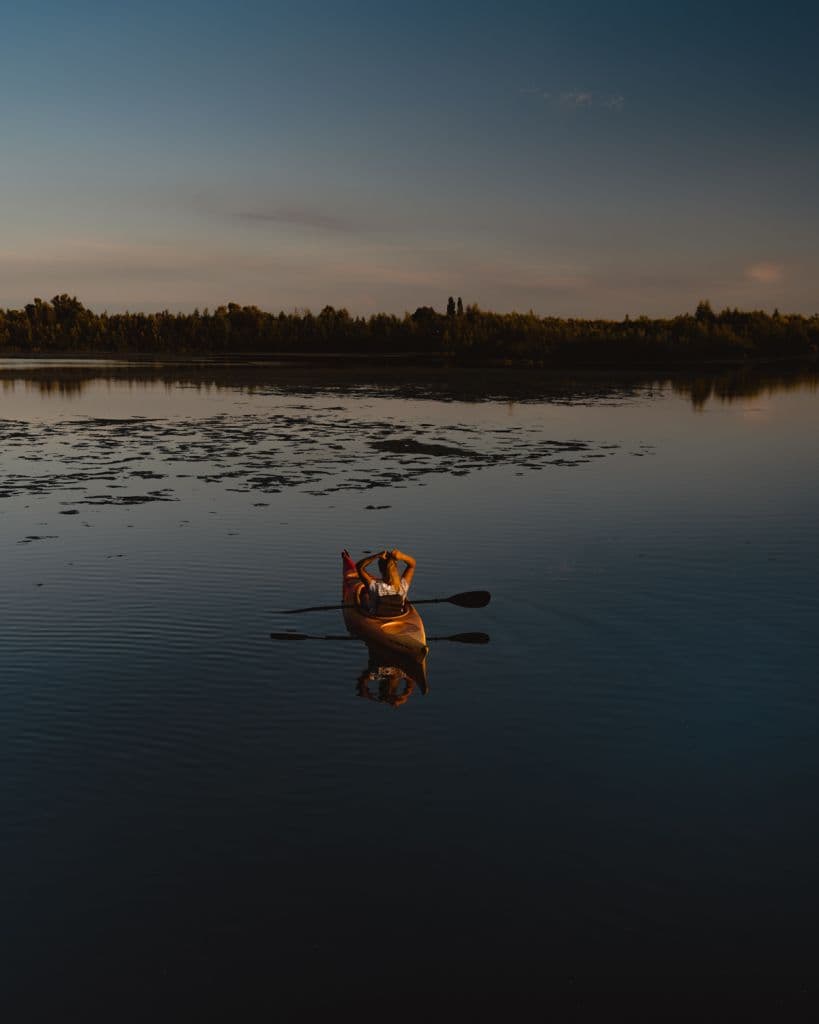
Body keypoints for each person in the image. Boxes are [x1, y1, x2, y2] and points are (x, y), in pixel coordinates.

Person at [355, 548, 416, 617]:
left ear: (381, 570)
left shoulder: (375, 587)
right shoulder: (402, 586)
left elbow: (359, 567)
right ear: (396, 568)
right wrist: (401, 556)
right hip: (397, 618)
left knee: (364, 596)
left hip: (376, 618)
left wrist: (376, 556)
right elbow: (412, 565)